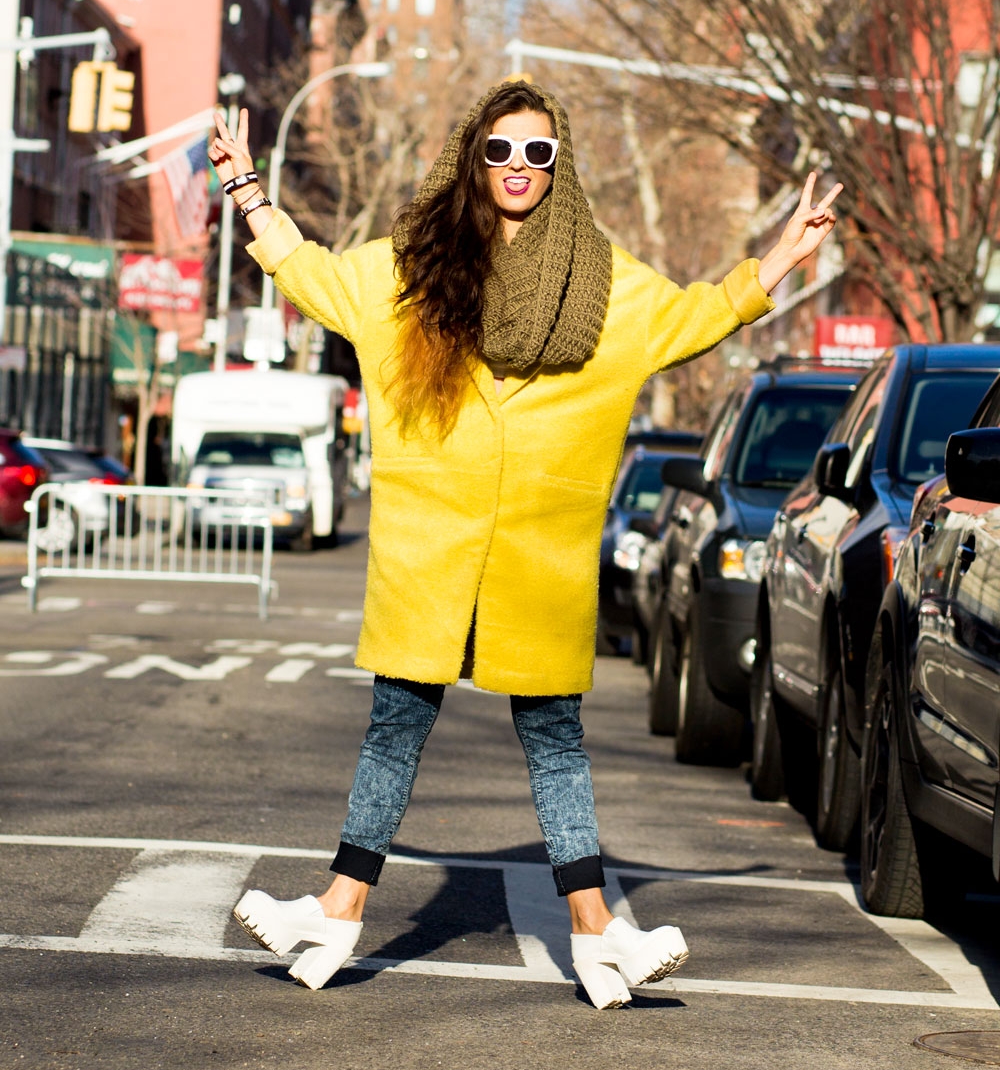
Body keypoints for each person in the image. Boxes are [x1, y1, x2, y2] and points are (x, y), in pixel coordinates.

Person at [212, 81, 839, 1009]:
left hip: (539, 557)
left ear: (560, 164)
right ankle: (336, 914)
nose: (517, 169)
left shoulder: (608, 281)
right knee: (396, 725)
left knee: (556, 742)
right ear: (474, 158)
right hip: (429, 550)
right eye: (500, 152)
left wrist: (779, 260)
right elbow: (312, 275)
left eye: (537, 154)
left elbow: (694, 316)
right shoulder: (413, 269)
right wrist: (249, 192)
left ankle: (596, 938)